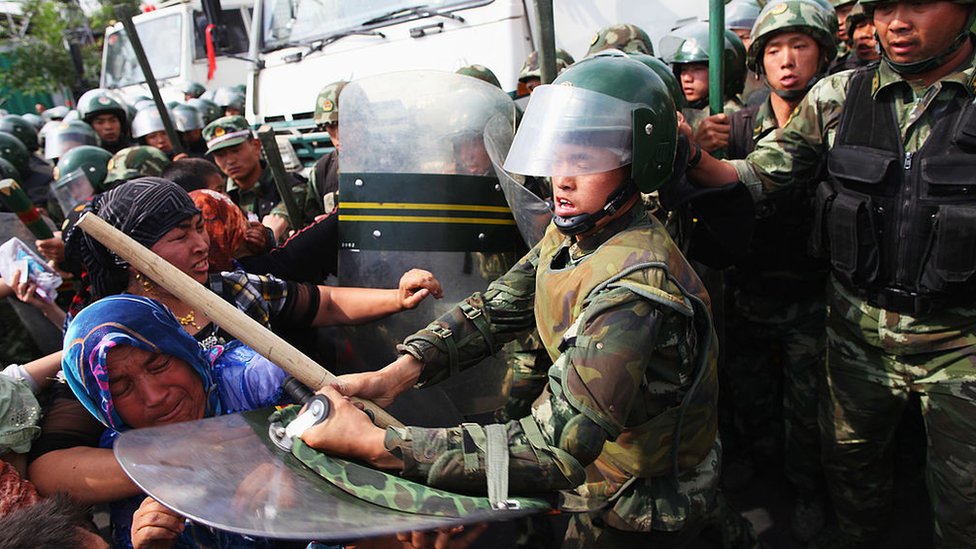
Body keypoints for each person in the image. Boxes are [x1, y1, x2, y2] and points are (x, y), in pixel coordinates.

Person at [296, 54, 751, 548]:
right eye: (559, 155)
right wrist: (399, 373)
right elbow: (497, 307)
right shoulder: (582, 231)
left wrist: (377, 445)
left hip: (642, 506)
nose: (563, 178)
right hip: (611, 475)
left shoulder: (633, 287)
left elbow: (558, 446)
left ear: (641, 163)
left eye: (586, 161)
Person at [681, 0, 976, 545]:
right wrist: (690, 154)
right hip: (856, 334)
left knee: (965, 503)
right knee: (849, 474)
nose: (898, 23)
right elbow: (761, 171)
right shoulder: (839, 96)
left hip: (961, 343)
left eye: (920, 4)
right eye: (885, 6)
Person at [28, 178, 443, 507]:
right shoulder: (105, 338)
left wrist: (396, 298)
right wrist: (184, 462)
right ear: (129, 253)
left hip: (300, 475)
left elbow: (322, 303)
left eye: (198, 228)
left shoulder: (227, 290)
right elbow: (51, 468)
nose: (201, 244)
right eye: (179, 236)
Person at [696, 0, 838, 542]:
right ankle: (755, 462)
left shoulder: (844, 117)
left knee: (808, 408)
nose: (787, 60)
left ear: (822, 53)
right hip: (749, 288)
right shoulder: (737, 123)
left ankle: (806, 487)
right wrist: (706, 151)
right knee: (748, 392)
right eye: (774, 49)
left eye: (799, 46)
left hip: (813, 291)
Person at [62, 293, 287, 547]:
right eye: (122, 388)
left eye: (158, 365)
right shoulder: (128, 453)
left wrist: (303, 477)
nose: (154, 396)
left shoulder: (259, 380)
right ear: (105, 408)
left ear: (183, 349)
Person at [203, 115, 309, 241]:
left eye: (236, 150)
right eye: (220, 155)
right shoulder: (220, 196)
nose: (230, 161)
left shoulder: (289, 185)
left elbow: (279, 220)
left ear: (256, 145)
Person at [662, 22, 748, 134]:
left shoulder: (730, 114)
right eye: (683, 70)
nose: (687, 78)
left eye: (697, 69)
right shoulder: (685, 109)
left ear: (724, 71)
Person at [306, 80, 346, 219]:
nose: (338, 134)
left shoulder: (388, 163)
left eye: (345, 122)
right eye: (330, 126)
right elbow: (309, 220)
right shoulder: (321, 171)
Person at [76, 89, 131, 154]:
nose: (108, 127)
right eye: (100, 122)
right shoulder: (84, 157)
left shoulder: (133, 152)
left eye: (113, 120)